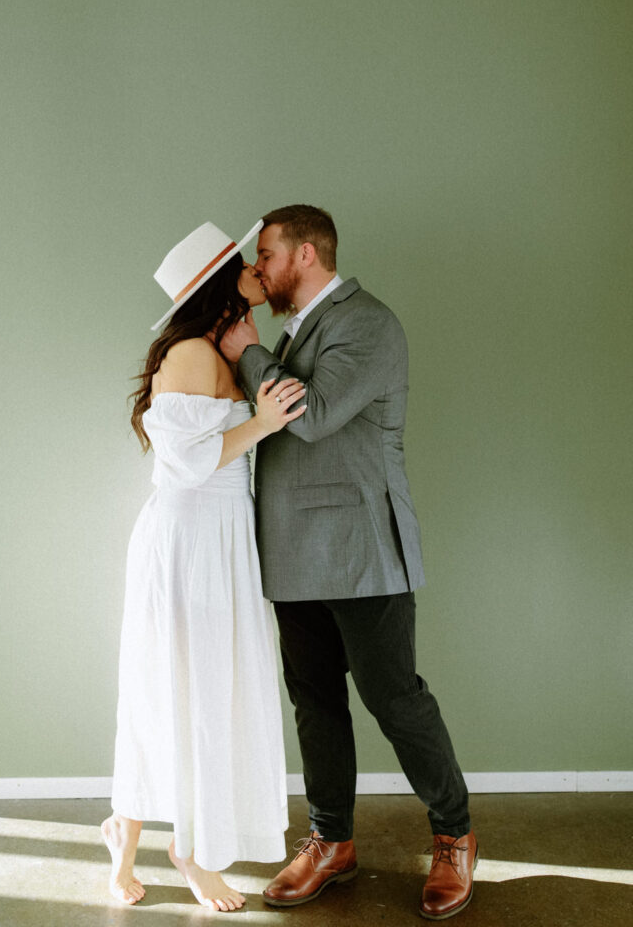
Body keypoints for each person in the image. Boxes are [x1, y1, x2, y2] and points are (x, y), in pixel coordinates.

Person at [220, 204, 478, 921]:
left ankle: (454, 834)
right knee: (314, 704)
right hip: (295, 554)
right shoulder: (296, 330)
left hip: (363, 551)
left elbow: (312, 411)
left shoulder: (366, 323)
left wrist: (244, 348)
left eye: (266, 255)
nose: (258, 270)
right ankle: (331, 841)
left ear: (304, 254)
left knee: (394, 700)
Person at [102, 219, 306, 912]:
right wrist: (262, 423)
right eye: (243, 264)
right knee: (168, 690)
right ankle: (167, 849)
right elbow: (184, 465)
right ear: (223, 282)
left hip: (222, 537)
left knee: (207, 689)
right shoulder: (189, 352)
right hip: (186, 542)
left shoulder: (225, 346)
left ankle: (156, 841)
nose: (256, 268)